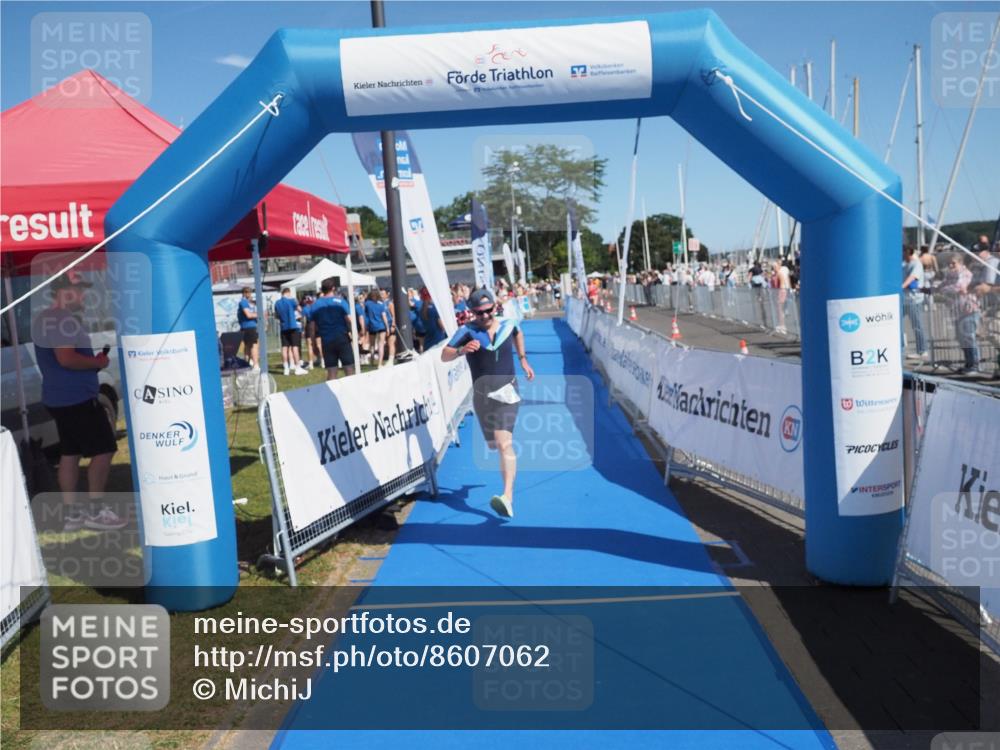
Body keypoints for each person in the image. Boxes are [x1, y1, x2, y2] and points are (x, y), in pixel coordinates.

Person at [32, 272, 126, 531]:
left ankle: (72, 515)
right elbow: (66, 358)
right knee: (104, 449)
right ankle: (96, 512)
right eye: (79, 290)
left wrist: (91, 363)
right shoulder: (63, 319)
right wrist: (97, 363)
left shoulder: (44, 318)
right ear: (63, 291)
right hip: (75, 398)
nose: (84, 296)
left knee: (69, 453)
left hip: (58, 397)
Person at [441, 288, 534, 518]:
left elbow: (518, 333)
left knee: (504, 444)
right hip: (482, 396)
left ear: (495, 307)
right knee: (493, 445)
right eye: (479, 312)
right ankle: (504, 491)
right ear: (471, 312)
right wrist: (462, 350)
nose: (485, 316)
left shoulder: (508, 324)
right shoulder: (467, 331)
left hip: (507, 392)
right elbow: (445, 354)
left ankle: (507, 497)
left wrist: (523, 359)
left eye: (488, 310)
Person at [937, 255, 981, 375]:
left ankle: (974, 365)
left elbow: (959, 287)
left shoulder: (965, 273)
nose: (950, 266)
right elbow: (941, 286)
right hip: (957, 311)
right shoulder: (951, 275)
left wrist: (945, 289)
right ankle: (968, 363)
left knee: (969, 337)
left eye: (953, 263)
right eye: (949, 263)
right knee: (961, 339)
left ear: (960, 263)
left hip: (969, 310)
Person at [311, 278, 355, 380]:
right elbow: (349, 320)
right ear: (333, 288)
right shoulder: (340, 301)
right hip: (342, 338)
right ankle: (351, 393)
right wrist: (355, 334)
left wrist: (313, 343)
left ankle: (331, 394)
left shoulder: (316, 305)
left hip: (326, 340)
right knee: (349, 369)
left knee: (331, 371)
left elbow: (312, 327)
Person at [901, 246, 928, 361]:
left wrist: (900, 287)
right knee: (896, 323)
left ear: (908, 252)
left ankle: (922, 350)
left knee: (917, 325)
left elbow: (912, 278)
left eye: (902, 253)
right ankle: (899, 348)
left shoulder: (916, 264)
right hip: (904, 299)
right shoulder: (903, 264)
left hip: (914, 299)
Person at [274, 288, 307, 376]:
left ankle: (286, 368)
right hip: (292, 326)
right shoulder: (291, 301)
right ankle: (297, 367)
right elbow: (300, 310)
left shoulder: (277, 303)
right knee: (295, 347)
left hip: (283, 327)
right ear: (288, 293)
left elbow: (276, 315)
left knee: (284, 348)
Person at [237, 286, 259, 370]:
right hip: (249, 327)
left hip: (249, 327)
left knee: (248, 346)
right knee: (254, 345)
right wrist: (258, 314)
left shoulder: (249, 303)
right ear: (245, 293)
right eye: (248, 292)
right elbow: (248, 315)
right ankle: (255, 364)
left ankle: (247, 363)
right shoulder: (243, 302)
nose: (250, 294)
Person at [364, 289, 389, 368]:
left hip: (372, 326)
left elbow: (365, 314)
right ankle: (379, 364)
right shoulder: (381, 304)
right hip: (381, 326)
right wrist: (387, 327)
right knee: (381, 345)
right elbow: (384, 316)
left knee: (372, 345)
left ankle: (371, 362)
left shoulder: (367, 304)